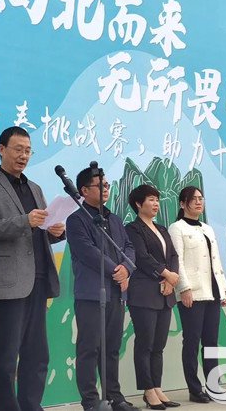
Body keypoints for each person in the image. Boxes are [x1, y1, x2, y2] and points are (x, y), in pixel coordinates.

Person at [0, 126, 65, 411]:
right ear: (1, 149)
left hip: (39, 279)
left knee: (37, 356)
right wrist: (26, 221)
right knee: (6, 360)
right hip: (9, 282)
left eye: (28, 151)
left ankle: (31, 406)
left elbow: (39, 231)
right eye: (18, 149)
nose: (24, 156)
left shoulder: (35, 188)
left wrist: (55, 232)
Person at [66, 167, 138, 411]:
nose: (106, 189)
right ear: (84, 190)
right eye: (100, 185)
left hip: (116, 294)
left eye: (107, 185)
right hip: (91, 294)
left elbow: (128, 247)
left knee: (112, 348)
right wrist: (116, 270)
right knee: (89, 349)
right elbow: (87, 251)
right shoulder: (76, 220)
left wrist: (127, 268)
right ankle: (90, 401)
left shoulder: (114, 219)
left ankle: (114, 397)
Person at [168, 186, 226, 404]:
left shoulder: (207, 228)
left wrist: (223, 289)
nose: (198, 202)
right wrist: (184, 288)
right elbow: (177, 261)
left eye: (200, 198)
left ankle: (214, 386)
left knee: (211, 342)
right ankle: (194, 389)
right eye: (193, 199)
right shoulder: (177, 228)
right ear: (182, 203)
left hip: (212, 291)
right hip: (193, 294)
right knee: (192, 341)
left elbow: (216, 261)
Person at [125, 185, 181, 410]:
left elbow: (173, 255)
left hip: (165, 293)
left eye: (157, 199)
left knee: (159, 345)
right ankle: (148, 390)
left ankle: (157, 387)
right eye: (151, 199)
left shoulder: (161, 228)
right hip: (144, 293)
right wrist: (165, 274)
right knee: (145, 343)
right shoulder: (133, 229)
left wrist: (171, 279)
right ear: (139, 204)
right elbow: (141, 257)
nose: (156, 203)